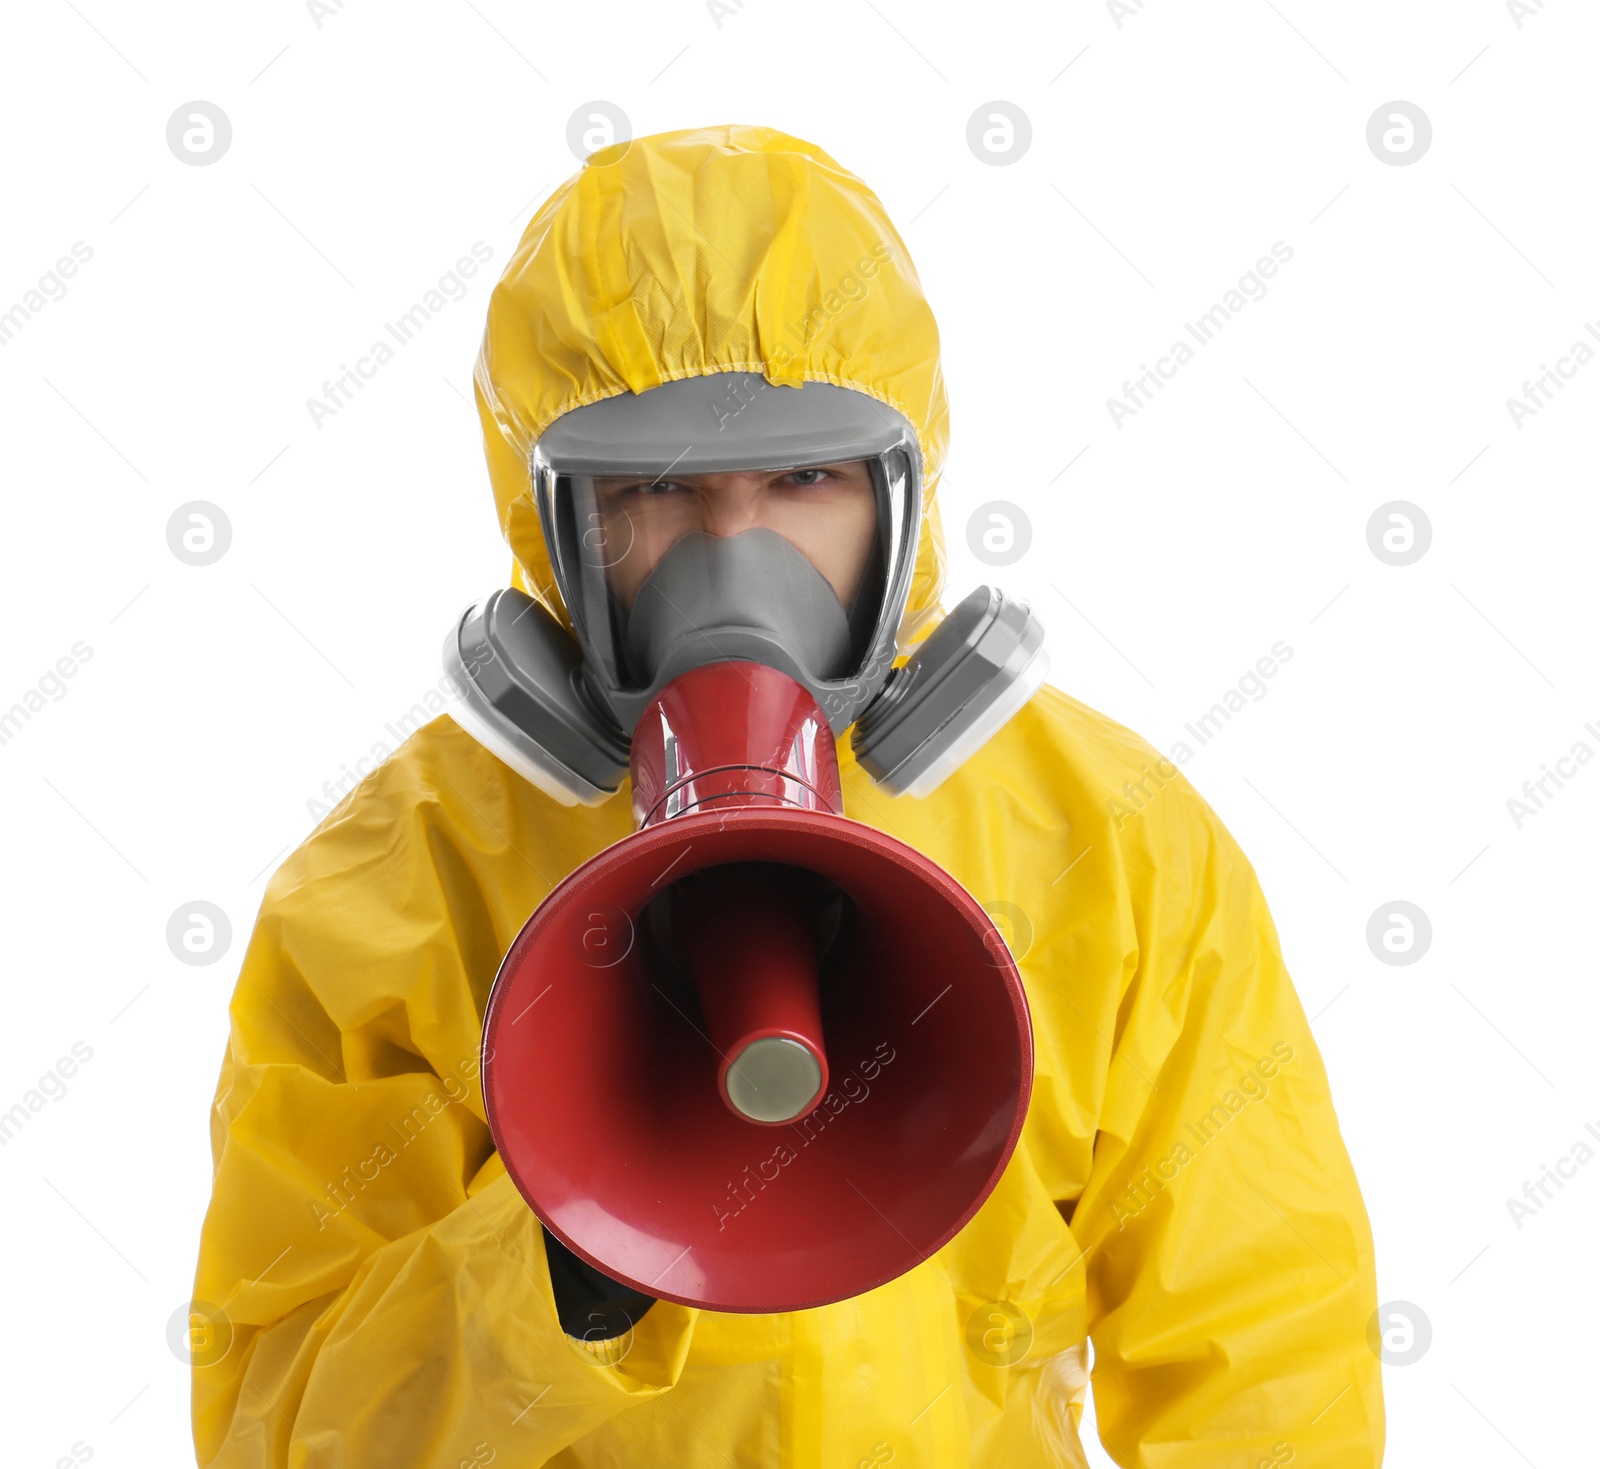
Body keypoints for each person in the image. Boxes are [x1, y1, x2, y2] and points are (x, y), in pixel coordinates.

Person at [191, 125, 1384, 1467]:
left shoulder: (1115, 849)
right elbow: (280, 1427)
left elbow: (1267, 1359)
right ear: (550, 523)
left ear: (905, 493)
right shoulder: (387, 890)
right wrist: (565, 1259)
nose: (734, 558)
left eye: (805, 479)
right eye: (653, 489)